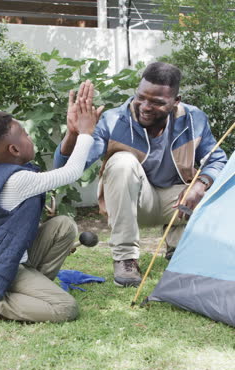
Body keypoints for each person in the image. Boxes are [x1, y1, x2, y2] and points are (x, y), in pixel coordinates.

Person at [54, 62, 227, 287]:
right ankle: (125, 258)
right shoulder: (114, 120)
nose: (145, 106)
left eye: (157, 102)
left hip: (177, 206)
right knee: (121, 161)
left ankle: (178, 247)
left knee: (215, 189)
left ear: (176, 101)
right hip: (134, 204)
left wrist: (201, 183)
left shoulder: (194, 119)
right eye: (141, 97)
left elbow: (217, 161)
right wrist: (73, 135)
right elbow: (66, 168)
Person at [0, 82, 101, 322]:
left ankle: (29, 287)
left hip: (11, 258)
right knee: (65, 308)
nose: (29, 136)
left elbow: (57, 174)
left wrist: (72, 133)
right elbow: (70, 173)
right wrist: (85, 133)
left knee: (64, 225)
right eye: (25, 134)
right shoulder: (18, 180)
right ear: (14, 149)